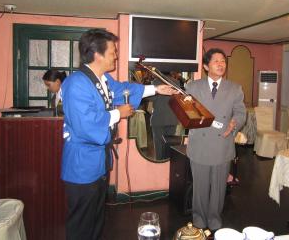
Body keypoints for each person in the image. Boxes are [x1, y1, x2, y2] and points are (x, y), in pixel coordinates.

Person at [61, 28, 175, 240]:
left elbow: (124, 88)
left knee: (96, 217)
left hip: (97, 162)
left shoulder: (101, 80)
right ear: (97, 54)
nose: (116, 55)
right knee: (81, 222)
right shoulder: (76, 83)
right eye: (113, 51)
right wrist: (117, 113)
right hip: (82, 165)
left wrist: (155, 89)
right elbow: (86, 126)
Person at [185, 48, 246, 232]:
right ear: (205, 65)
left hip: (223, 144)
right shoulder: (192, 87)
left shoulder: (235, 89)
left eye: (223, 61)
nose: (221, 64)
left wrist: (234, 123)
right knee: (200, 187)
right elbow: (186, 112)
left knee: (219, 188)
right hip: (200, 145)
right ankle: (199, 219)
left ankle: (214, 219)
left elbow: (241, 112)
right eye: (216, 61)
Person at [149, 74, 180, 160]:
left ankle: (160, 163)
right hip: (172, 117)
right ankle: (168, 162)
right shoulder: (176, 82)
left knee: (159, 144)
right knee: (170, 144)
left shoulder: (155, 82)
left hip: (158, 117)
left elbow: (151, 99)